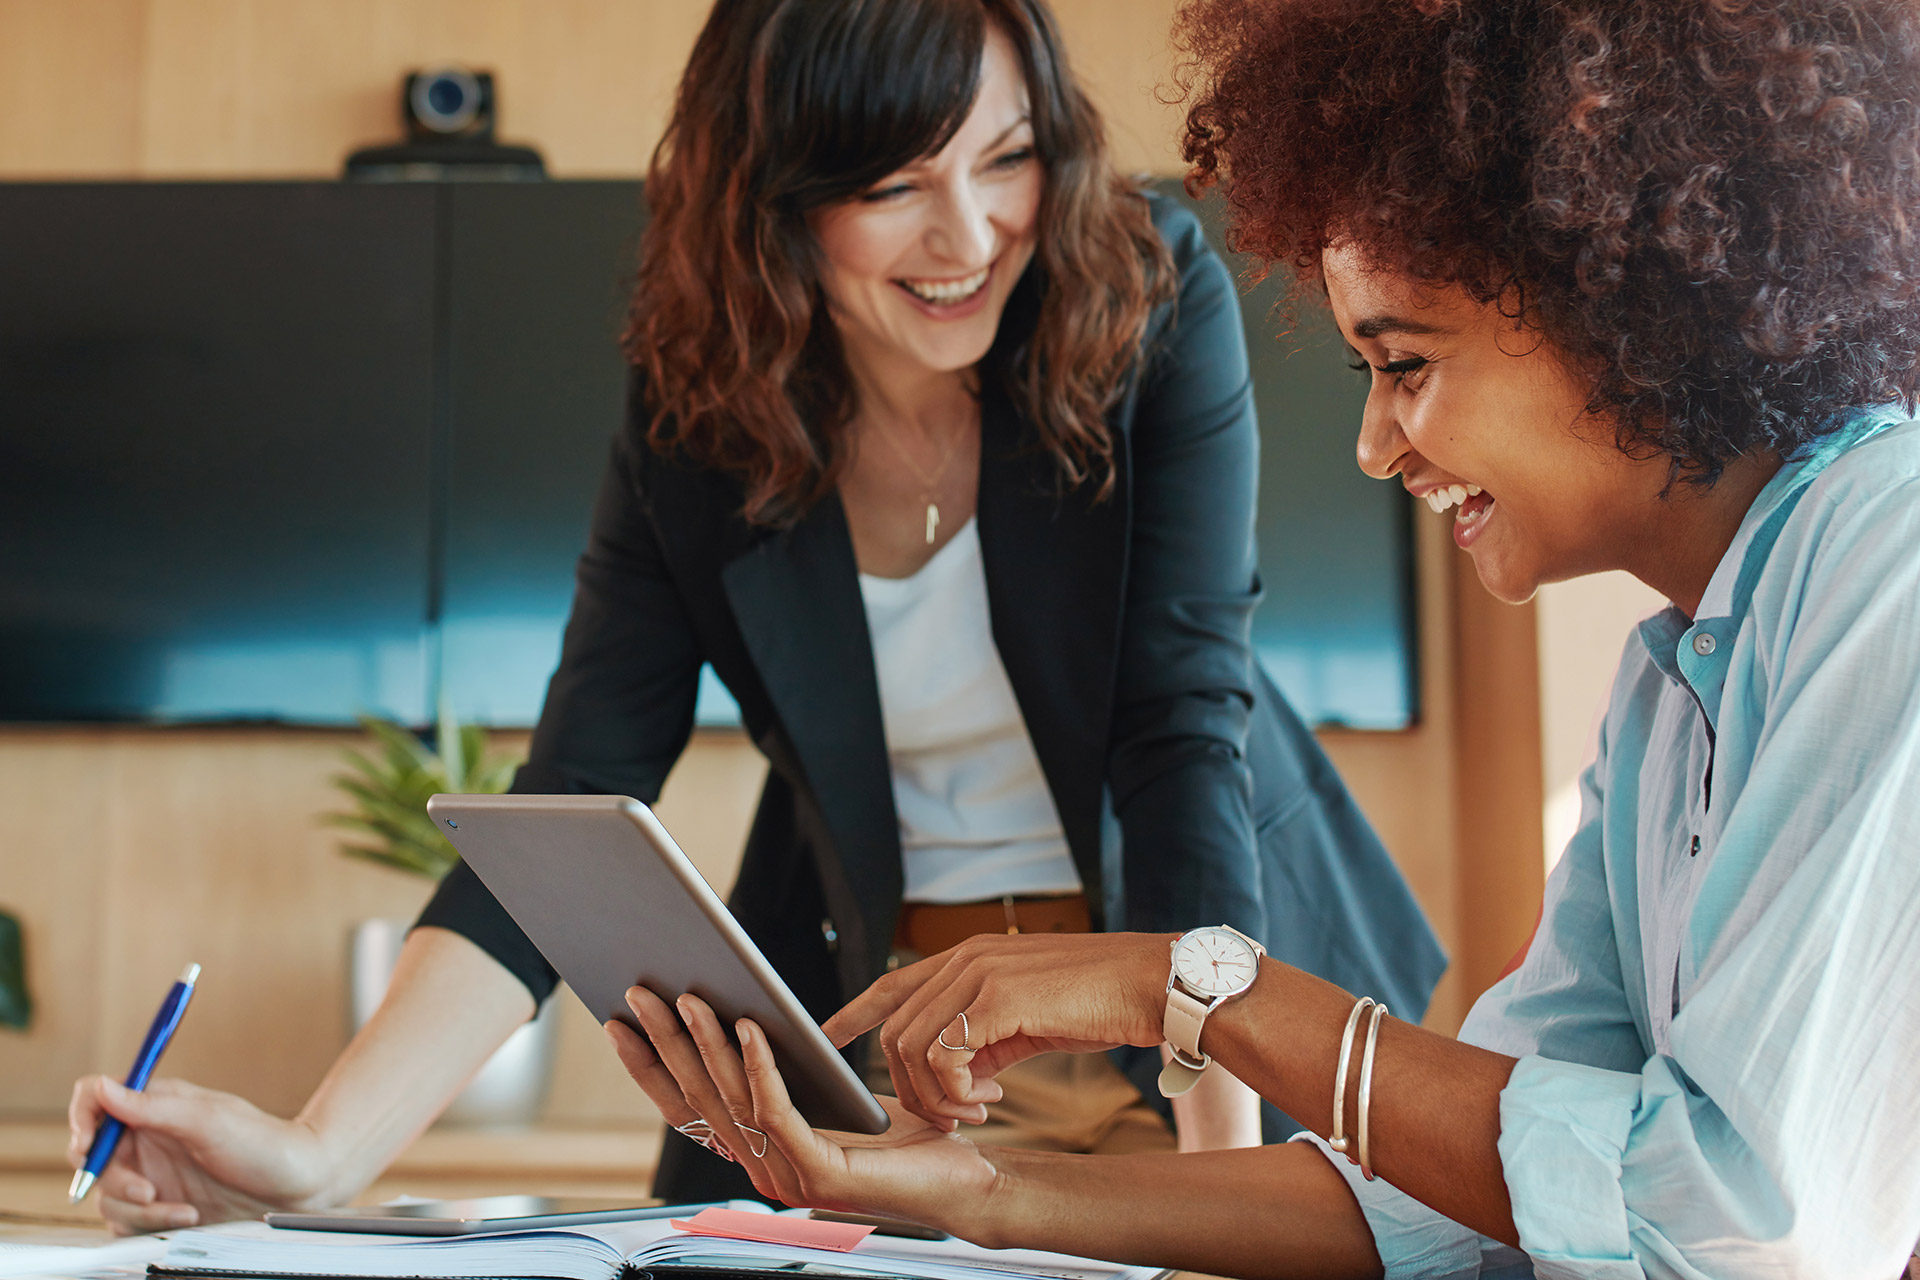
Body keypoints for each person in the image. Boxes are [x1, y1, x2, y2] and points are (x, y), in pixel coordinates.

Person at [66, 0, 1444, 1231]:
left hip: (1201, 1014)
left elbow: (1177, 728)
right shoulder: (701, 412)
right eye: (895, 183)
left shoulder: (1144, 296)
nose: (969, 234)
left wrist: (1222, 1176)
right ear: (776, 198)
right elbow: (575, 794)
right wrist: (314, 1156)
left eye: (1006, 156)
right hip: (904, 1053)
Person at [606, 0, 1920, 1275]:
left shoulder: (1888, 546)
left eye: (1405, 366)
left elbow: (1734, 1219)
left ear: (1626, 305)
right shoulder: (1666, 688)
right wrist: (979, 1196)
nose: (1372, 446)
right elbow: (1472, 1197)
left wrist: (1193, 985)